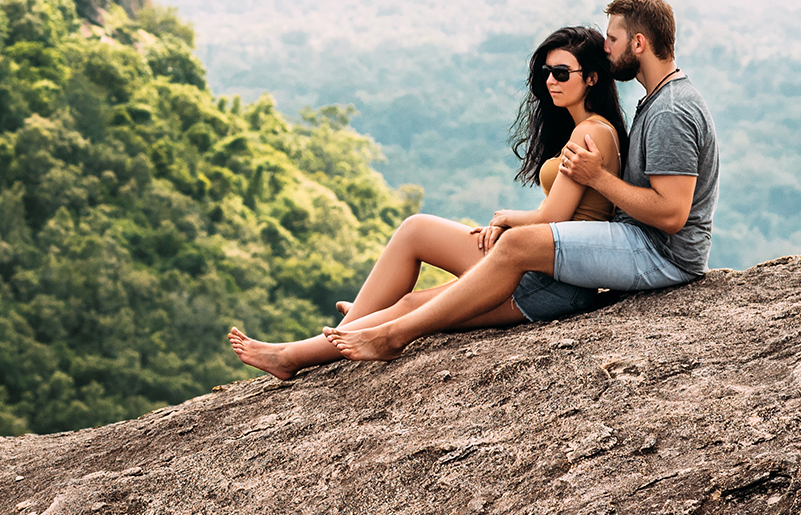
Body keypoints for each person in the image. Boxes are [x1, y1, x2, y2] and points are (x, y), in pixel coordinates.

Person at [314, 0, 719, 364]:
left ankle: (395, 331)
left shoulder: (669, 111)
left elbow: (672, 215)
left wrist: (596, 178)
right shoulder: (657, 101)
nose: (605, 48)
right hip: (639, 242)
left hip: (662, 254)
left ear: (638, 43)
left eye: (612, 39)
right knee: (435, 233)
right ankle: (378, 316)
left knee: (517, 242)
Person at [227, 23, 629, 381]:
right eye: (546, 73)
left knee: (410, 305)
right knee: (416, 229)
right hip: (533, 262)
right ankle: (360, 321)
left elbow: (553, 218)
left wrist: (507, 218)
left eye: (562, 73)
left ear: (592, 78)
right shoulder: (587, 129)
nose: (551, 82)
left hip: (553, 284)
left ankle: (292, 355)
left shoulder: (589, 135)